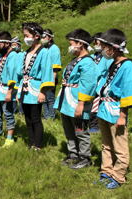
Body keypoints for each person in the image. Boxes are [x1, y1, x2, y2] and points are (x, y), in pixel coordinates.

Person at [94, 29, 132, 189]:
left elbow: (128, 90)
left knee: (119, 146)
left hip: (116, 111)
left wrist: (123, 115)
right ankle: (107, 171)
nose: (102, 49)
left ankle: (118, 176)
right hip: (104, 109)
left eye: (104, 46)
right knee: (106, 144)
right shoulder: (112, 63)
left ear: (114, 47)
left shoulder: (128, 65)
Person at [54, 29, 97, 169]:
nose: (70, 46)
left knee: (80, 131)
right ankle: (73, 154)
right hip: (67, 101)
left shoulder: (88, 62)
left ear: (80, 44)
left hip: (77, 102)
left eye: (71, 43)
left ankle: (85, 157)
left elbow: (88, 84)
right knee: (68, 129)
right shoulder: (76, 60)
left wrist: (81, 104)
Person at [17, 22, 54, 150]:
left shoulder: (44, 52)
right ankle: (31, 142)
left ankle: (37, 144)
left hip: (35, 89)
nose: (25, 38)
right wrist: (18, 91)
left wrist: (43, 92)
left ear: (36, 36)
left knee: (35, 117)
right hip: (25, 88)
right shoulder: (26, 52)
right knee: (27, 118)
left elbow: (46, 73)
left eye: (27, 35)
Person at [89, 32, 114, 133]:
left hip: (100, 85)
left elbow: (103, 70)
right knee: (90, 105)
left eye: (97, 42)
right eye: (94, 42)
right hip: (91, 84)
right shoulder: (93, 56)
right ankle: (90, 124)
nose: (95, 44)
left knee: (96, 106)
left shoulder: (106, 57)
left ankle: (95, 126)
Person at [41, 29, 62, 120]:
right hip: (43, 77)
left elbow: (56, 66)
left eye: (44, 37)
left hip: (51, 77)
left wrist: (53, 80)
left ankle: (51, 116)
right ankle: (46, 116)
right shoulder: (43, 48)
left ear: (49, 38)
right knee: (44, 98)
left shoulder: (54, 48)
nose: (42, 39)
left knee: (50, 98)